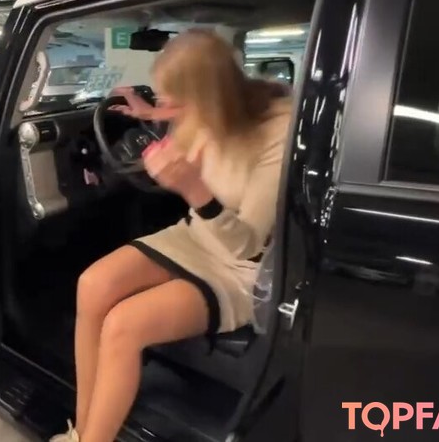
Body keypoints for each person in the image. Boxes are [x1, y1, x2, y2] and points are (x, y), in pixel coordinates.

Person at [52, 29, 293, 442]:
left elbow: (249, 246)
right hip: (197, 236)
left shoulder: (276, 132)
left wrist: (195, 190)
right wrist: (149, 113)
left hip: (241, 268)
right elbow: (182, 117)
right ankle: (82, 432)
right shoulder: (208, 110)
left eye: (172, 98)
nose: (168, 108)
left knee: (123, 326)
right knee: (91, 285)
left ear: (205, 96)